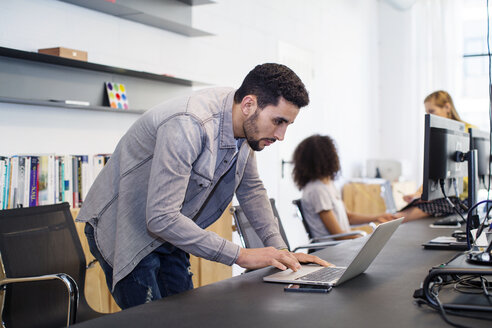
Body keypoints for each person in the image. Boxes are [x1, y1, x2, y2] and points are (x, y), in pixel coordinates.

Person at [76, 63, 330, 309]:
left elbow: (251, 190)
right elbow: (161, 217)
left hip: (169, 232)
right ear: (249, 104)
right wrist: (242, 255)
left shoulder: (244, 127)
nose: (281, 135)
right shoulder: (189, 124)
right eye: (278, 121)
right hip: (126, 228)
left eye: (287, 124)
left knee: (188, 318)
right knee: (150, 321)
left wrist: (282, 252)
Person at [292, 134, 396, 240]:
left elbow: (348, 217)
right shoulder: (317, 190)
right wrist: (364, 239)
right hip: (331, 249)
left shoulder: (328, 185)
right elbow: (338, 235)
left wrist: (379, 217)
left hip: (341, 245)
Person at [398, 90, 475, 221]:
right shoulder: (440, 136)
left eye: (432, 111)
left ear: (447, 107)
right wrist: (419, 193)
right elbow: (434, 172)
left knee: (396, 218)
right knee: (393, 217)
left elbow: (465, 176)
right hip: (443, 196)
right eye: (427, 113)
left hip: (459, 198)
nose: (429, 116)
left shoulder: (468, 131)